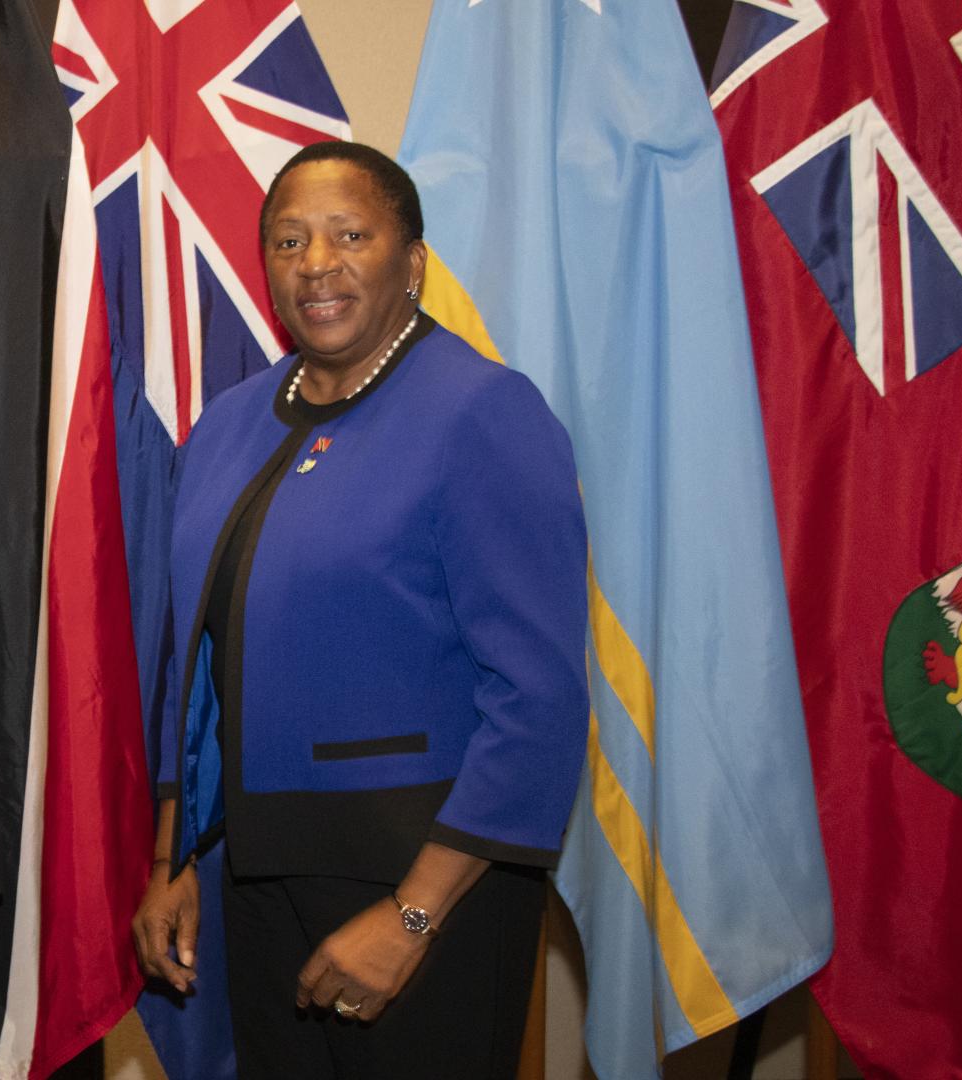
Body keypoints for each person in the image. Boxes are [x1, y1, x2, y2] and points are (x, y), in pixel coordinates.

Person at [131, 141, 589, 1078]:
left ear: (411, 261)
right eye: (290, 240)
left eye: (351, 234)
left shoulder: (482, 412)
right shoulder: (228, 424)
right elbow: (199, 670)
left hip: (428, 883)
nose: (317, 263)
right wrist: (172, 859)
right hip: (253, 879)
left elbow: (536, 699)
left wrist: (412, 915)